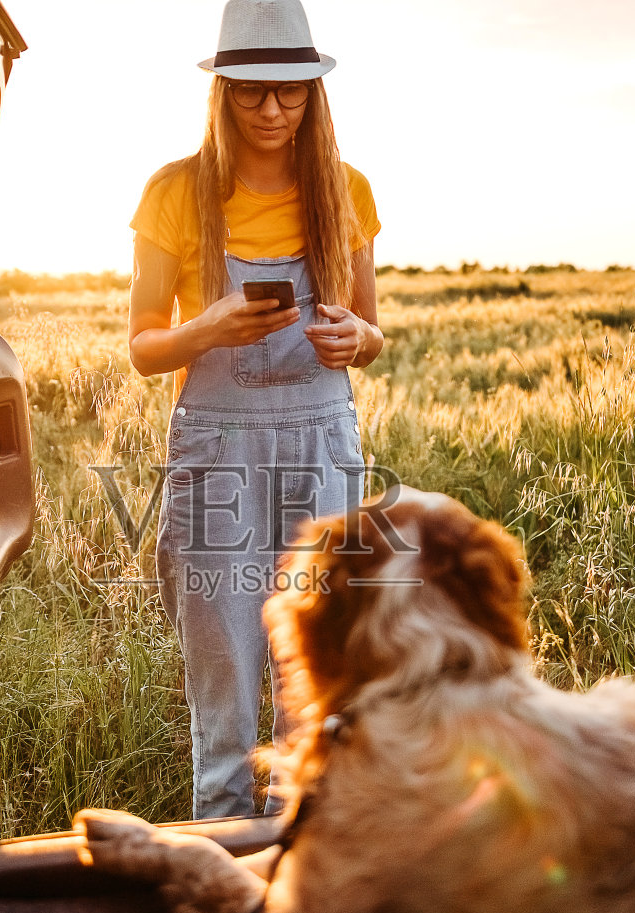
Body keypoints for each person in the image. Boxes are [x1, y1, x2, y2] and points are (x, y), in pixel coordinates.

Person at [128, 0, 384, 819]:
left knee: (319, 666)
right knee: (227, 677)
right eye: (251, 92)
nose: (272, 110)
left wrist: (356, 338)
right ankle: (225, 863)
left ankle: (310, 863)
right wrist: (205, 327)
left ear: (314, 92)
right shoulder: (174, 192)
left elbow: (373, 331)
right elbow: (141, 346)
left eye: (290, 92)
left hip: (323, 447)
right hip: (218, 448)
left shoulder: (346, 190)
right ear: (221, 91)